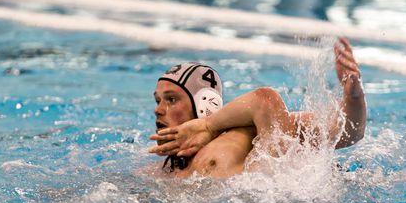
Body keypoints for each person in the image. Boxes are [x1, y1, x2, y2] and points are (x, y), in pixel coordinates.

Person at [148, 37, 366, 178]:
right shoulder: (164, 168)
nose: (159, 110)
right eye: (158, 100)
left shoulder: (248, 132)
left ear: (205, 104)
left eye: (171, 99)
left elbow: (348, 131)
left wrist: (353, 96)